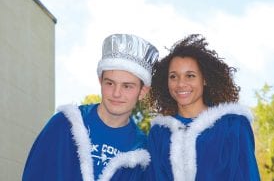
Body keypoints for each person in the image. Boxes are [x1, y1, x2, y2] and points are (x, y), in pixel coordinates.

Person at [22, 34, 159, 181]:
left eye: (127, 86)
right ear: (100, 81)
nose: (116, 93)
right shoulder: (64, 124)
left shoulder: (141, 152)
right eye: (110, 83)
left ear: (142, 91)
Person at [146, 34, 260, 180]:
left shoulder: (233, 126)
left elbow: (248, 175)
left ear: (204, 79)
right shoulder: (159, 132)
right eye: (173, 76)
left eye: (190, 76)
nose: (181, 84)